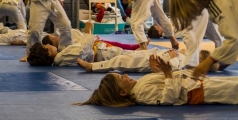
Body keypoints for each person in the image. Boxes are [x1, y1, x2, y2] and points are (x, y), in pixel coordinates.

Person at [75, 55, 238, 107]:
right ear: (123, 93)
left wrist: (159, 71)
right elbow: (168, 98)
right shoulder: (140, 95)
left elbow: (166, 81)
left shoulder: (140, 84)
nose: (125, 75)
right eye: (121, 79)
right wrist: (165, 74)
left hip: (195, 84)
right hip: (197, 93)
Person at [27, 21, 141, 66]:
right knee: (134, 57)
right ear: (47, 53)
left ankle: (141, 51)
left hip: (103, 52)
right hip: (103, 54)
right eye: (48, 46)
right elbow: (82, 51)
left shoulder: (61, 57)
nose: (50, 45)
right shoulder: (62, 57)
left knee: (132, 55)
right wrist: (87, 31)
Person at [76, 47, 210, 73]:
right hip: (153, 54)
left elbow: (174, 69)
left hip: (152, 62)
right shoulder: (186, 56)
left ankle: (92, 67)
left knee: (120, 60)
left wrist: (173, 58)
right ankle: (93, 65)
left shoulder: (186, 63)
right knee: (123, 55)